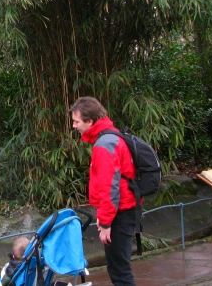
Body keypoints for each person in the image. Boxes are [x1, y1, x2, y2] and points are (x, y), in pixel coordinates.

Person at [71, 96, 137, 286]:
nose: (74, 126)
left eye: (77, 122)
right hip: (122, 209)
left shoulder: (104, 144)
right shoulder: (110, 136)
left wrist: (106, 222)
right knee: (119, 267)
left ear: (90, 121)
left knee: (119, 270)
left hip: (120, 213)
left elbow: (110, 186)